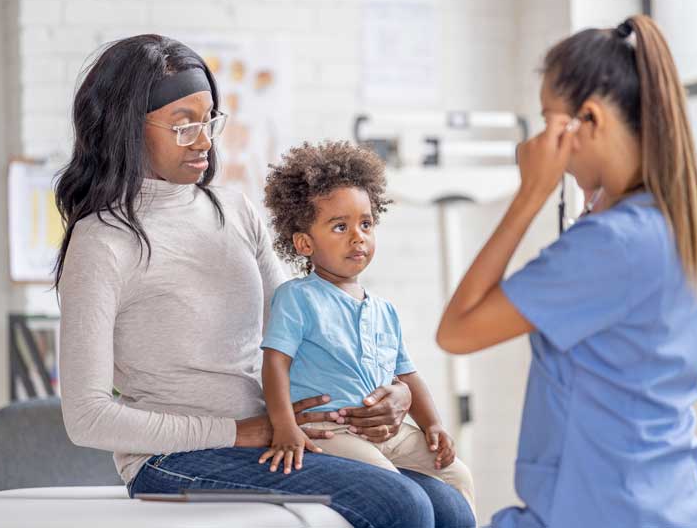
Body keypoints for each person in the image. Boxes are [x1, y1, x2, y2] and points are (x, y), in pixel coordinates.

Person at [55, 34, 475, 528]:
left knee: (447, 504)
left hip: (275, 428)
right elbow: (86, 417)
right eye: (183, 126)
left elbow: (305, 330)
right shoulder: (102, 241)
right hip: (172, 459)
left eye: (209, 120)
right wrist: (238, 431)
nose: (205, 141)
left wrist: (396, 393)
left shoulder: (233, 209)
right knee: (399, 504)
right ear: (126, 129)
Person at [437, 15, 697, 528]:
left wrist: (530, 194)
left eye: (549, 119)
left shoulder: (612, 244)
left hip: (595, 511)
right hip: (667, 504)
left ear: (588, 120)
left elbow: (457, 330)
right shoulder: (695, 229)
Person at [258, 141, 475, 515]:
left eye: (366, 223)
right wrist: (284, 426)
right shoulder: (298, 298)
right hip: (336, 432)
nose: (358, 236)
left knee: (457, 475)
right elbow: (275, 364)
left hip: (392, 432)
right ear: (304, 243)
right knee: (394, 493)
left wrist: (433, 424)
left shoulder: (384, 310)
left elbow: (408, 377)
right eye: (340, 226)